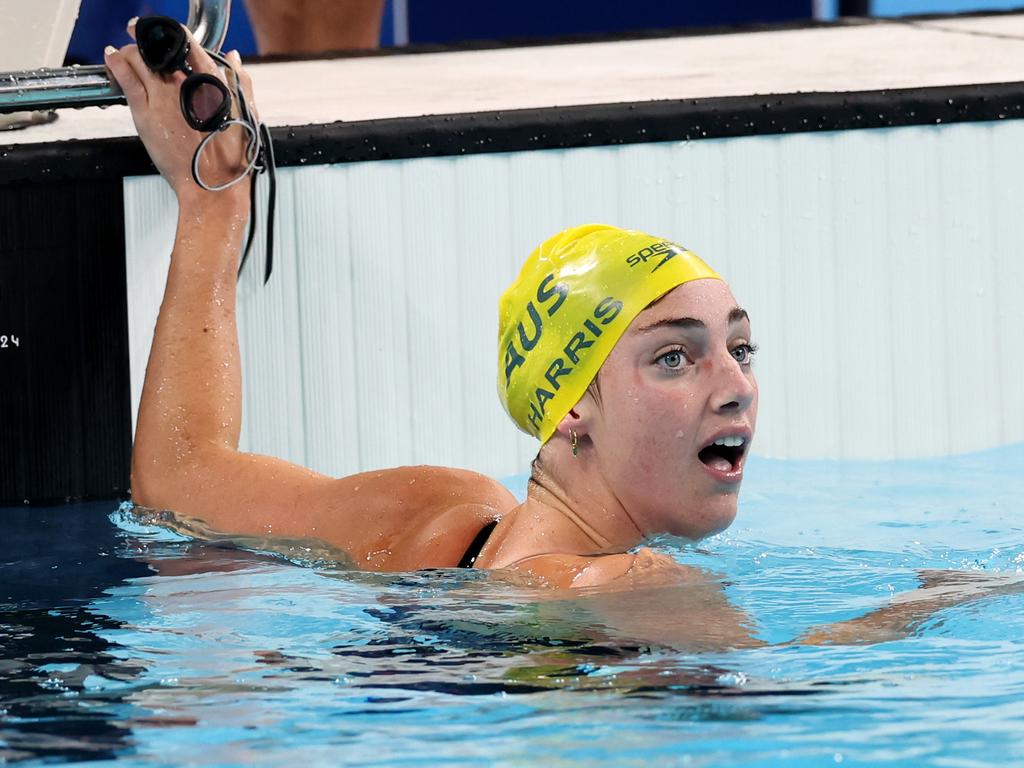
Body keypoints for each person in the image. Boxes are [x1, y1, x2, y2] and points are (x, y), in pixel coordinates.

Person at [104, 22, 1022, 648]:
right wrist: (939, 603)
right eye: (675, 355)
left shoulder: (430, 518)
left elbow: (179, 477)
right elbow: (794, 704)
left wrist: (209, 203)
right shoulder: (638, 586)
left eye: (739, 346)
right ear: (572, 402)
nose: (735, 383)